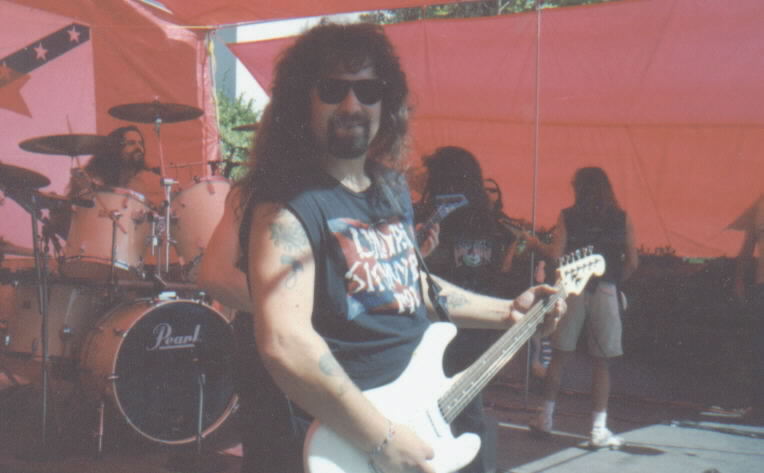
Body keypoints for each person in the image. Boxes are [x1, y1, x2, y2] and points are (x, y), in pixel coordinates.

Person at [214, 22, 564, 473]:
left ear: (387, 100)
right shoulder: (287, 204)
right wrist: (381, 438)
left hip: (416, 413)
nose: (351, 105)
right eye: (332, 89)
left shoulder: (390, 188)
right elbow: (285, 342)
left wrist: (508, 311)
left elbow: (407, 284)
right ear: (303, 99)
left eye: (368, 90)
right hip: (352, 441)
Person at [415, 145, 547, 473]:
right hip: (478, 326)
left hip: (438, 326)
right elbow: (503, 269)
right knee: (466, 413)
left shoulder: (433, 218)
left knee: (435, 411)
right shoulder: (491, 221)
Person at [529, 166, 638, 448]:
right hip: (606, 289)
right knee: (602, 363)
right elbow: (632, 262)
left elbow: (556, 255)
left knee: (559, 357)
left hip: (573, 288)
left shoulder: (568, 216)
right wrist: (613, 282)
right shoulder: (622, 218)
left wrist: (535, 244)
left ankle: (546, 418)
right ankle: (597, 430)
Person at [47, 125, 161, 239]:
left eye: (141, 143)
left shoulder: (139, 184)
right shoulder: (90, 178)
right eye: (131, 143)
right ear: (115, 149)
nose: (139, 148)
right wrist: (58, 211)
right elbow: (68, 225)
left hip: (125, 246)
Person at [732, 193, 764, 422]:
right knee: (758, 348)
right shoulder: (760, 204)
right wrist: (739, 280)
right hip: (762, 285)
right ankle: (758, 405)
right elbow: (747, 247)